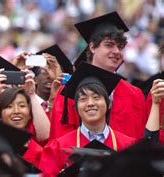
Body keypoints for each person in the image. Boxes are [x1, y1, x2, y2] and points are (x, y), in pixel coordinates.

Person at [49, 11, 147, 139]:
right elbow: (59, 140)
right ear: (92, 47)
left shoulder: (135, 95)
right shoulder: (69, 92)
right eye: (109, 45)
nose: (116, 51)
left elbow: (139, 140)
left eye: (120, 46)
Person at [39, 63, 136, 177]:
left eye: (96, 97)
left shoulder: (129, 146)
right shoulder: (58, 148)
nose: (90, 103)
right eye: (83, 99)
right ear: (75, 107)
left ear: (108, 104)